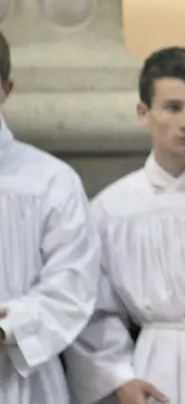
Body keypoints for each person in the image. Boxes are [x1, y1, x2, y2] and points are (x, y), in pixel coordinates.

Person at [63, 47, 185, 404]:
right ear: (143, 113)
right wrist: (120, 379)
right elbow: (95, 311)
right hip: (151, 368)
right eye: (173, 107)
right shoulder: (111, 207)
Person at [0, 31, 101, 404]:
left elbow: (73, 285)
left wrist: (5, 326)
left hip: (21, 381)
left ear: (6, 88)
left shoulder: (51, 180)